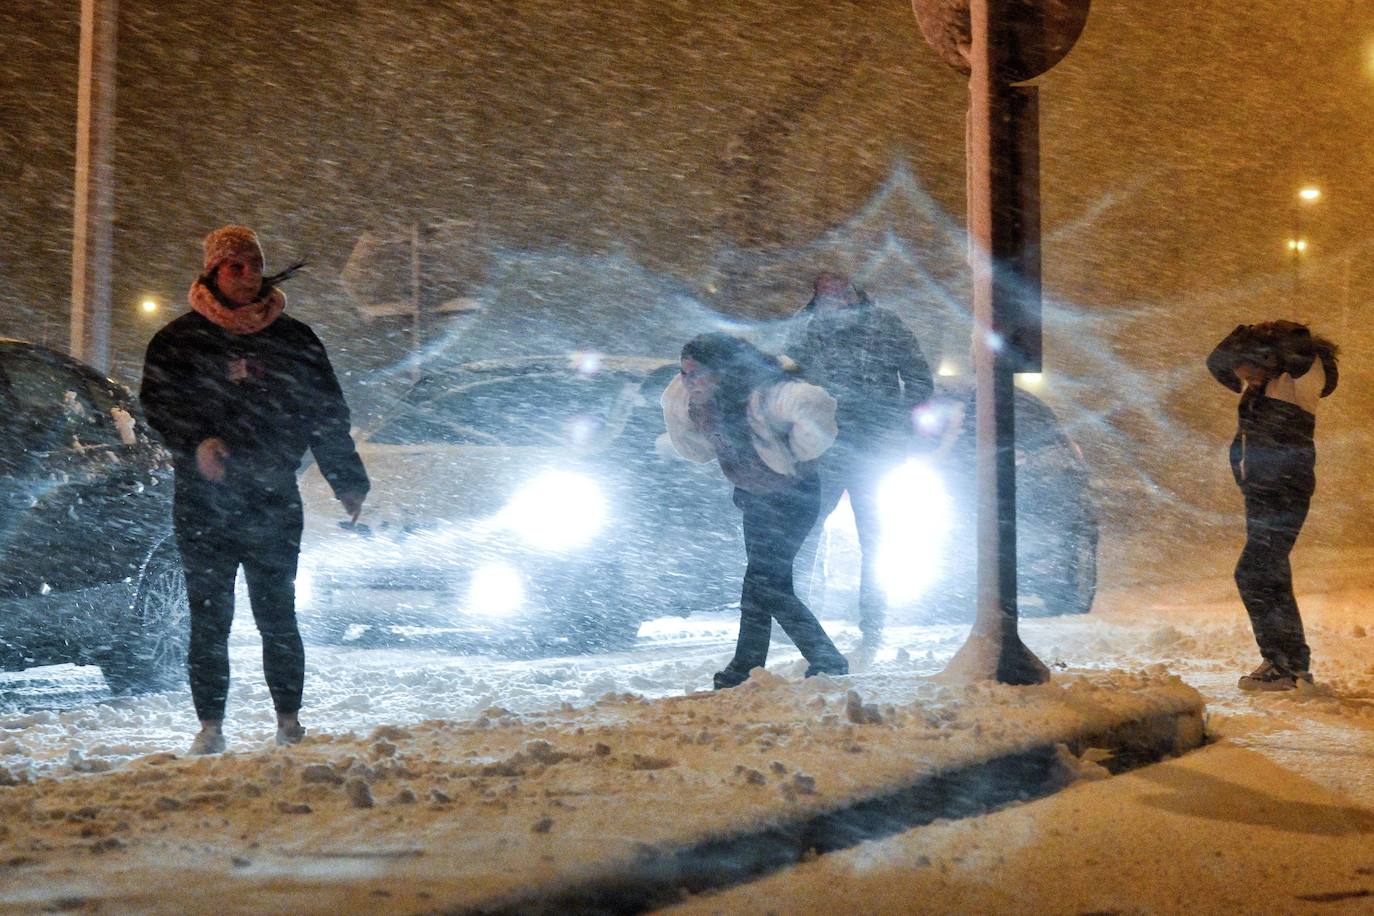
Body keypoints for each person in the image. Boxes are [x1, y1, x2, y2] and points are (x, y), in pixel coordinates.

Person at [141, 225, 369, 754]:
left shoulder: (293, 340)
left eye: (253, 263)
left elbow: (325, 415)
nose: (247, 275)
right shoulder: (179, 341)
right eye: (234, 266)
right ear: (212, 272)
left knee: (277, 614)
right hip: (204, 504)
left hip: (270, 498)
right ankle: (211, 726)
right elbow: (157, 406)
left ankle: (288, 719)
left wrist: (347, 480)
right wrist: (195, 441)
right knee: (209, 617)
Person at [661, 332, 849, 689]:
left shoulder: (763, 396)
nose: (688, 382)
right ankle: (753, 664)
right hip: (754, 497)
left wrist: (798, 452)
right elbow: (691, 434)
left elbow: (813, 406)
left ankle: (819, 658)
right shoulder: (699, 401)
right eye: (683, 374)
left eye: (695, 373)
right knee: (763, 585)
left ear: (721, 373)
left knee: (765, 585)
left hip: (793, 497)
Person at [784, 272, 933, 648]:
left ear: (853, 291)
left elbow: (918, 378)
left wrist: (900, 426)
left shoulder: (882, 325)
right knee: (808, 529)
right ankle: (800, 615)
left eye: (839, 290)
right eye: (826, 291)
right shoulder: (806, 327)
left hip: (865, 447)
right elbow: (785, 380)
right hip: (827, 444)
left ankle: (871, 619)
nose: (834, 298)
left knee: (869, 536)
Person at [1207, 320, 1338, 691]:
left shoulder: (1296, 382)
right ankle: (1289, 665)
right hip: (1263, 493)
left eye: (1242, 365)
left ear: (1259, 356)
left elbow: (1301, 345)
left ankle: (1286, 664)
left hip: (1285, 490)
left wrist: (1265, 335)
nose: (1239, 375)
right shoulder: (1261, 387)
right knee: (1270, 575)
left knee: (1253, 573)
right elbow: (1215, 361)